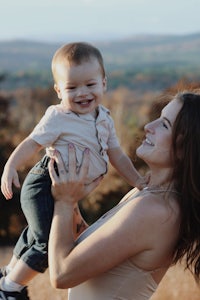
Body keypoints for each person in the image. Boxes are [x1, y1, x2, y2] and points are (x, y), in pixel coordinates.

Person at [0, 42, 146, 299]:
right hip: (45, 184)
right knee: (49, 244)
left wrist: (137, 181)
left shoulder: (105, 119)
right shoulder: (58, 117)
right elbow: (32, 144)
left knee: (36, 234)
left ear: (104, 83)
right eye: (71, 88)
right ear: (58, 90)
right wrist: (11, 166)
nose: (82, 93)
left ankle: (8, 273)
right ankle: (11, 288)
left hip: (67, 187)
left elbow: (117, 156)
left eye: (90, 85)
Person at [47, 91, 200, 300]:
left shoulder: (156, 210)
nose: (149, 126)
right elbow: (86, 251)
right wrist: (71, 199)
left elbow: (62, 274)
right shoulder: (145, 194)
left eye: (164, 124)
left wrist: (63, 202)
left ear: (185, 148)